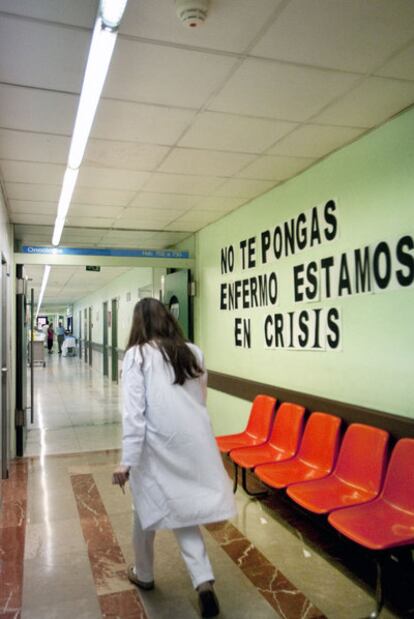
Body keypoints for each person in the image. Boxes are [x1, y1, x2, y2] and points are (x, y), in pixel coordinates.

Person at [112, 298, 236, 618]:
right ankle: (203, 580)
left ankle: (144, 573)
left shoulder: (136, 356)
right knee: (184, 513)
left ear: (138, 323)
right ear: (168, 319)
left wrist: (126, 460)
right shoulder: (193, 352)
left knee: (144, 510)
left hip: (155, 448)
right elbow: (200, 400)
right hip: (192, 444)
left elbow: (134, 414)